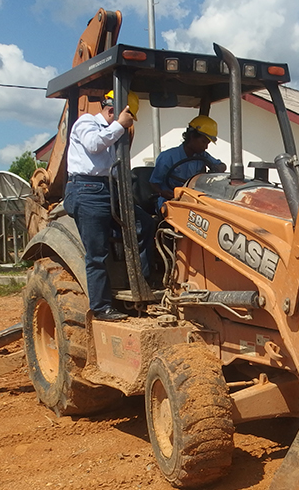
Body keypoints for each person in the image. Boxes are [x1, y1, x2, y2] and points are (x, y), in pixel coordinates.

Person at [64, 92, 154, 321]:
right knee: (97, 253)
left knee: (144, 223)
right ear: (116, 110)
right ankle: (101, 307)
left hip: (109, 189)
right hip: (87, 189)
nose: (130, 122)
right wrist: (119, 127)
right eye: (129, 116)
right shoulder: (87, 123)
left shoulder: (113, 133)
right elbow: (93, 145)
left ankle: (142, 285)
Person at [149, 115, 227, 212]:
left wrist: (217, 168)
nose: (205, 147)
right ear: (192, 136)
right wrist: (162, 192)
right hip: (171, 200)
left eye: (207, 143)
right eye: (203, 142)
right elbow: (153, 182)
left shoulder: (203, 156)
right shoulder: (167, 157)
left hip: (195, 200)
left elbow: (222, 165)